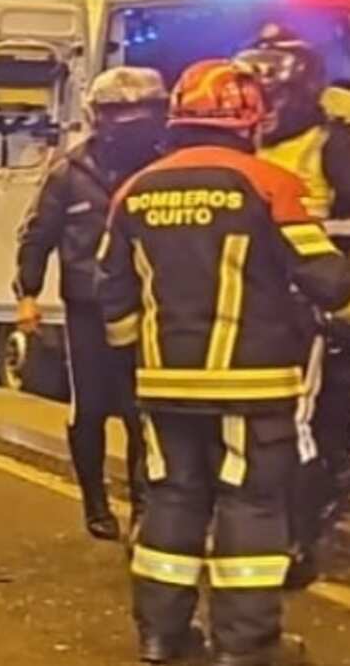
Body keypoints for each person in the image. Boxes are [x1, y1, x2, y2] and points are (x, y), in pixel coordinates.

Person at [98, 59, 350, 666]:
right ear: (248, 119)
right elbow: (328, 282)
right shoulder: (269, 184)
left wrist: (141, 353)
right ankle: (246, 648)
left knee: (171, 505)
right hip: (254, 383)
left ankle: (162, 639)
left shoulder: (135, 191)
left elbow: (112, 293)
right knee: (251, 508)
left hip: (162, 386)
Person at [14, 66, 165, 541]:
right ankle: (95, 503)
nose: (131, 123)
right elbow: (37, 236)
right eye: (120, 112)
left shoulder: (166, 167)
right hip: (89, 309)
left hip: (153, 309)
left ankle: (145, 504)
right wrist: (28, 295)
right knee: (92, 408)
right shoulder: (69, 173)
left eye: (143, 112)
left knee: (146, 412)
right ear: (98, 116)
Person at [238, 31, 350, 586]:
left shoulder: (334, 146)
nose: (262, 108)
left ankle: (300, 543)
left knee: (313, 432)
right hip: (267, 311)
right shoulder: (248, 149)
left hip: (323, 313)